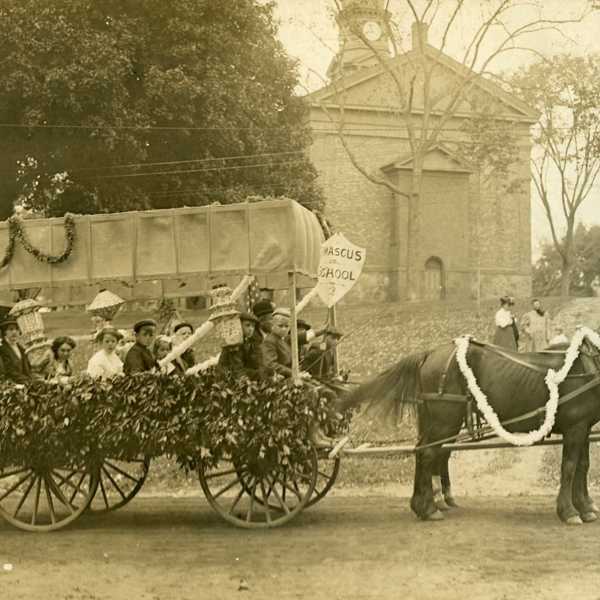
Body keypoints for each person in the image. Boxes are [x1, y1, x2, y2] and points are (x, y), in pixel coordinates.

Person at [218, 312, 262, 379]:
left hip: (243, 371)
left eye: (253, 326)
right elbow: (237, 368)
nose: (251, 329)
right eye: (247, 325)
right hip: (229, 374)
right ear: (239, 326)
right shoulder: (234, 343)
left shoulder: (251, 341)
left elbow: (256, 362)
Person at [0, 319, 32, 384]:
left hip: (25, 383)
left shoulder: (21, 348)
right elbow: (9, 371)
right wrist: (26, 380)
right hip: (10, 385)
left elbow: (27, 368)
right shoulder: (2, 349)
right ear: (5, 332)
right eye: (11, 329)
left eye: (17, 329)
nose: (14, 332)